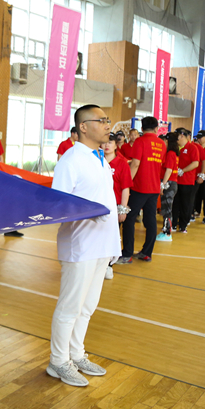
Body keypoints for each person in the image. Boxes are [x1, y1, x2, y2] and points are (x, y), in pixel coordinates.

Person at [48, 104, 120, 387]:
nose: (108, 125)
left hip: (102, 244)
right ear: (84, 127)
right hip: (80, 245)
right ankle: (58, 361)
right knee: (70, 307)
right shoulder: (71, 159)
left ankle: (76, 354)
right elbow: (58, 205)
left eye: (108, 120)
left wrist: (114, 242)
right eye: (101, 120)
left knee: (87, 307)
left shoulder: (100, 158)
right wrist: (91, 212)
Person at [118, 117, 165, 263]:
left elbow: (136, 164)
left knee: (129, 219)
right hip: (154, 188)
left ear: (142, 129)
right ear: (156, 129)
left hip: (139, 187)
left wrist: (127, 183)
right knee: (150, 220)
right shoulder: (161, 144)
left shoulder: (140, 141)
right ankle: (146, 253)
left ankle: (127, 254)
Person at [101, 134, 131, 279]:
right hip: (98, 205)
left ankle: (109, 265)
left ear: (115, 145)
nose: (107, 145)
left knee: (111, 237)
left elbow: (125, 187)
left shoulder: (122, 163)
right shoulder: (96, 161)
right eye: (104, 142)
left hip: (114, 207)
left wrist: (122, 209)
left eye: (110, 142)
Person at [173, 128, 200, 233]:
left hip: (187, 181)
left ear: (182, 136)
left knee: (185, 204)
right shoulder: (175, 148)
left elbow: (195, 163)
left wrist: (183, 170)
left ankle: (183, 225)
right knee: (175, 203)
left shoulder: (192, 147)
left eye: (177, 136)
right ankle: (173, 224)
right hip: (175, 180)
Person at [156, 132, 180, 242]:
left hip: (169, 183)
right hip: (171, 183)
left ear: (167, 141)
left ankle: (167, 233)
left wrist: (163, 184)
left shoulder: (170, 153)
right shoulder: (173, 153)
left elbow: (169, 170)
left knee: (167, 209)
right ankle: (166, 230)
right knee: (166, 208)